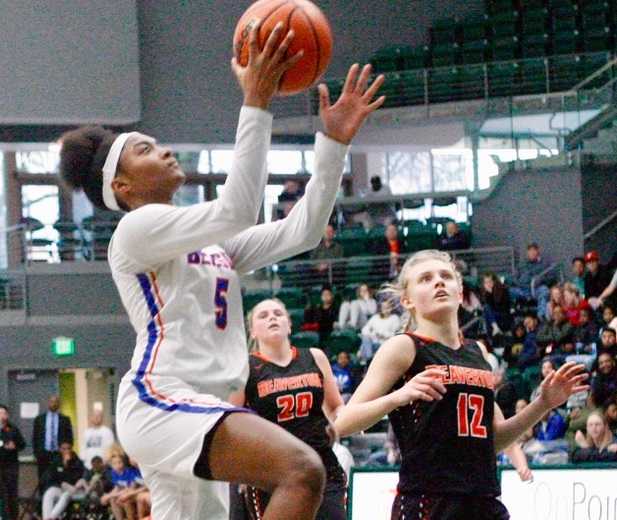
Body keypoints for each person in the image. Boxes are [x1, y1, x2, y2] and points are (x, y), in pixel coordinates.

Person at [58, 19, 385, 519]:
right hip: (161, 398)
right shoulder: (137, 230)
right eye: (145, 150)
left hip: (197, 406)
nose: (164, 150)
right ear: (121, 186)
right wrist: (255, 103)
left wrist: (334, 145)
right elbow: (236, 208)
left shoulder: (213, 243)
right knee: (303, 469)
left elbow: (301, 231)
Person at [334, 250, 587, 520]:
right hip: (429, 502)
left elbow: (495, 439)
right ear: (407, 300)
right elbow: (342, 423)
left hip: (484, 500)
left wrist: (542, 404)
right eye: (426, 279)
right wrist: (399, 396)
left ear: (459, 292)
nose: (438, 282)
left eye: (445, 276)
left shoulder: (475, 352)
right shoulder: (403, 347)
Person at [231, 298, 347, 520]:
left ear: (289, 324)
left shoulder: (315, 357)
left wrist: (339, 422)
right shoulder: (245, 368)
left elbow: (335, 407)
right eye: (263, 316)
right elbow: (232, 423)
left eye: (278, 313)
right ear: (252, 331)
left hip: (321, 466)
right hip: (270, 474)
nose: (272, 317)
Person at [32, 395, 74, 483]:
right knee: (43, 478)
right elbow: (35, 437)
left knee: (59, 477)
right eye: (51, 402)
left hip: (58, 454)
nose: (53, 404)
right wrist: (36, 453)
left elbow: (69, 438)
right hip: (43, 454)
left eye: (56, 402)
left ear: (59, 404)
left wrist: (67, 453)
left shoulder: (65, 419)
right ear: (48, 403)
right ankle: (43, 495)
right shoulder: (39, 419)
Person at [41, 442, 86, 520]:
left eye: (68, 448)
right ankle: (46, 517)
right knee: (49, 493)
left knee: (65, 496)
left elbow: (76, 478)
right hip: (60, 487)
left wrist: (67, 465)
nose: (66, 451)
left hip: (73, 490)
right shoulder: (56, 461)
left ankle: (51, 517)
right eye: (64, 449)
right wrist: (61, 484)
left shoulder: (77, 462)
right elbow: (53, 478)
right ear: (60, 450)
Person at [0, 404, 26, 520]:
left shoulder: (13, 429)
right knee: (2, 495)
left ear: (7, 415)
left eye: (4, 413)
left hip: (10, 467)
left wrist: (14, 446)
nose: (2, 416)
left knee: (11, 495)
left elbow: (22, 444)